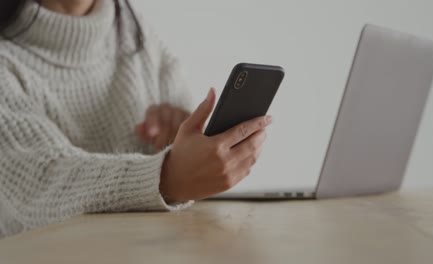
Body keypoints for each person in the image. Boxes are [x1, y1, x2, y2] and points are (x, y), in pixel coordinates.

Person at [0, 0, 271, 238]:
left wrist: (184, 139)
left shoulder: (137, 37)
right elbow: (39, 183)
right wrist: (165, 176)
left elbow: (192, 172)